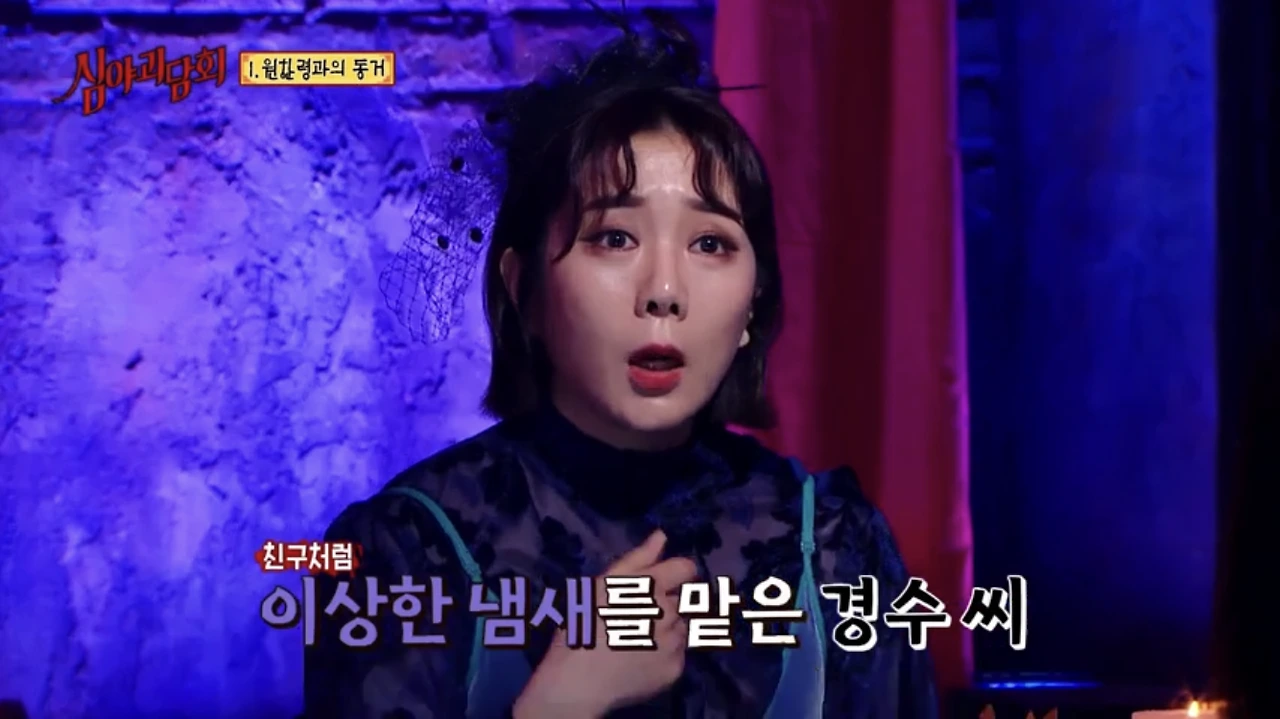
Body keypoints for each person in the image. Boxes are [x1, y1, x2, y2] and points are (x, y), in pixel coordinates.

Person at [303, 10, 938, 719]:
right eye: (614, 237)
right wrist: (561, 704)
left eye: (710, 244)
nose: (663, 291)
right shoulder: (408, 550)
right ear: (524, 289)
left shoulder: (834, 548)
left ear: (752, 304)